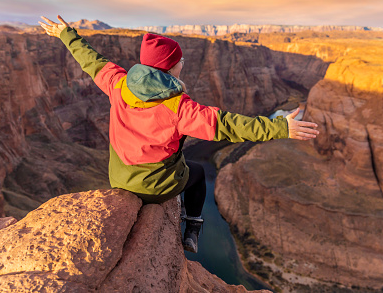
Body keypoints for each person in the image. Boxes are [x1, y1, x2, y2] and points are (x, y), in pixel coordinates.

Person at [38, 15, 320, 253]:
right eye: (179, 60)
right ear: (169, 68)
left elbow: (92, 61)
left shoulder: (119, 83)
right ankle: (193, 227)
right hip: (153, 188)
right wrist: (280, 127)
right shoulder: (178, 108)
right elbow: (228, 125)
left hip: (119, 178)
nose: (183, 62)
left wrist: (66, 34)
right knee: (196, 173)